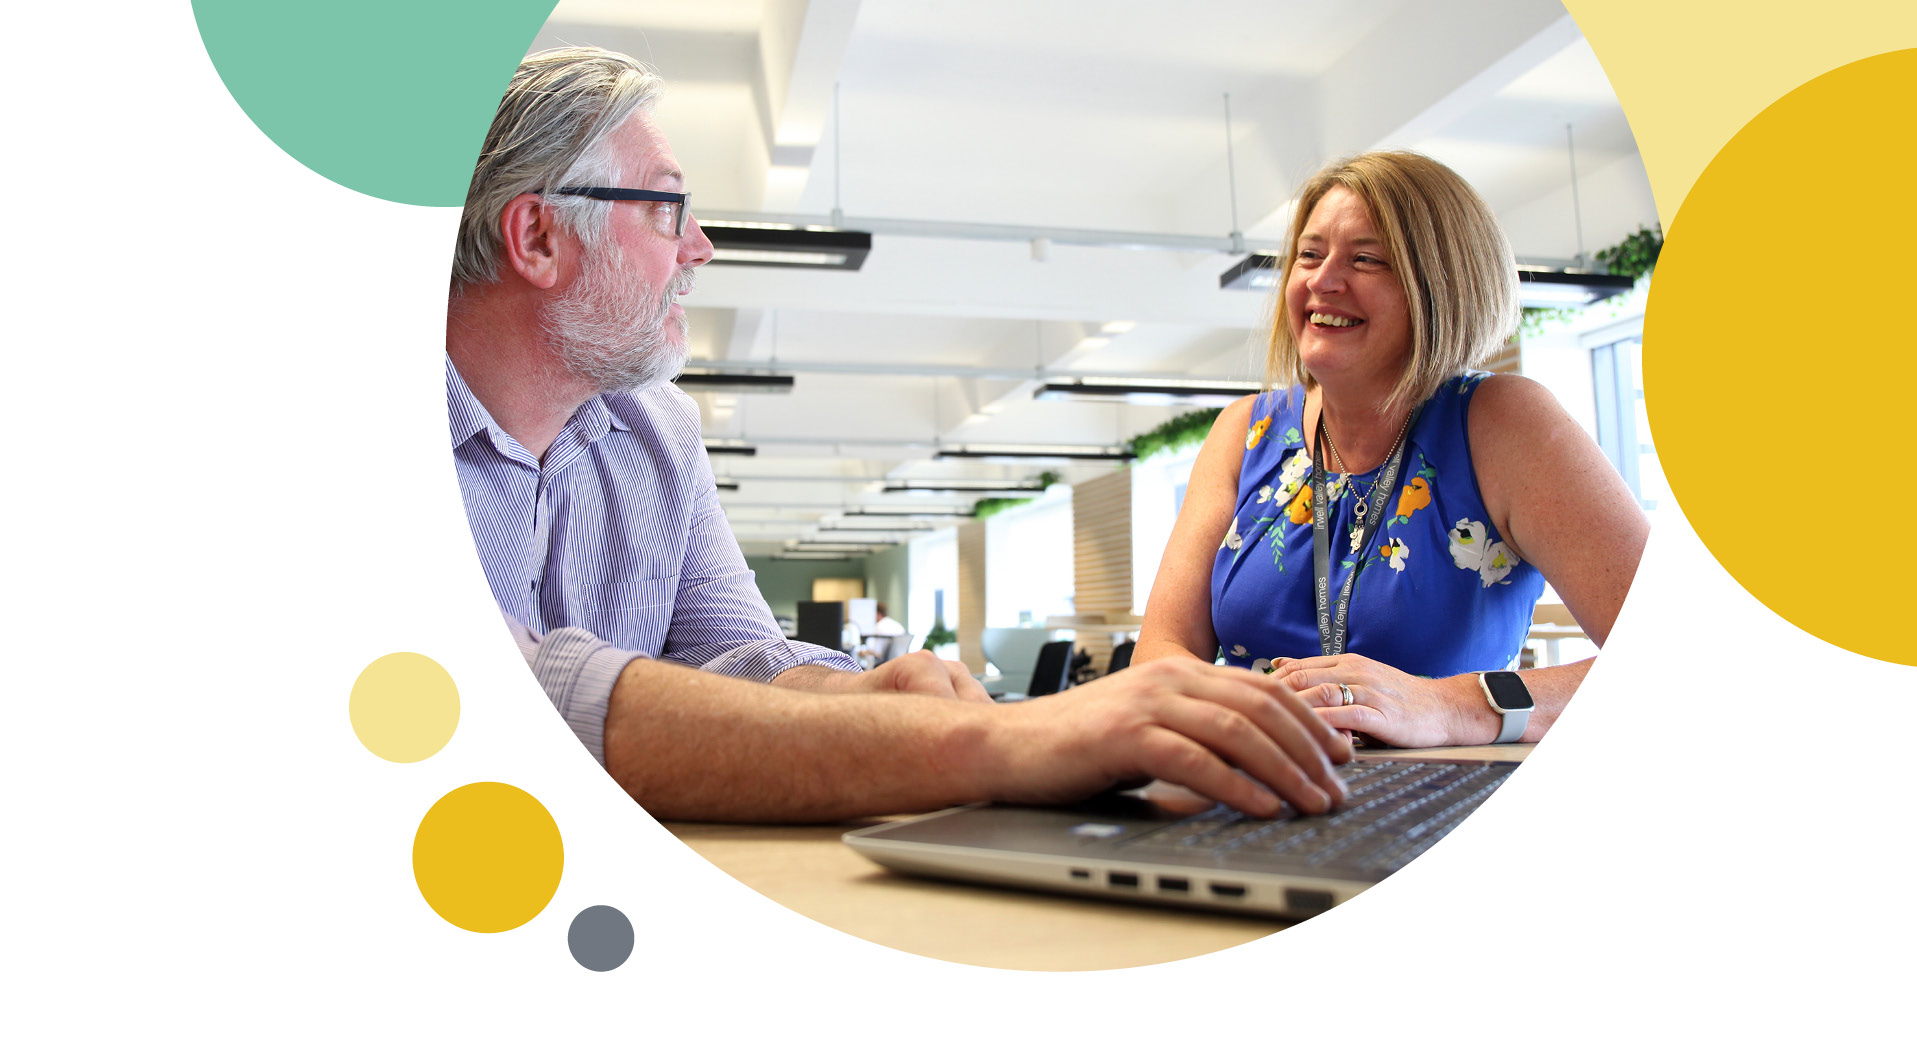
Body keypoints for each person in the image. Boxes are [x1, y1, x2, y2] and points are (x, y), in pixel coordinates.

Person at [449, 46, 1353, 822]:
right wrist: (982, 741)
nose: (701, 248)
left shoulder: (659, 431)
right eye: (666, 208)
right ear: (536, 238)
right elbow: (519, 699)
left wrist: (867, 695)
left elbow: (738, 654)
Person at [1136, 151, 1648, 749]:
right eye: (1309, 253)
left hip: (1441, 807)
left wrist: (1450, 707)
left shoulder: (1504, 424)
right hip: (1252, 791)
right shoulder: (1243, 432)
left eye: (1366, 259)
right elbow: (1159, 658)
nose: (1323, 280)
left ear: (1439, 286)